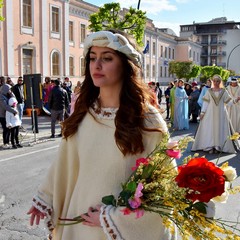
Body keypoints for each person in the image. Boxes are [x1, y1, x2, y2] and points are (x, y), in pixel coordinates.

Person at [27, 30, 175, 240]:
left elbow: (164, 190)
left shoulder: (148, 121)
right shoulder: (83, 114)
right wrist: (45, 198)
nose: (97, 65)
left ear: (125, 65)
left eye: (107, 58)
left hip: (118, 231)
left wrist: (112, 219)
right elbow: (64, 165)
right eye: (92, 58)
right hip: (78, 223)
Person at [192, 75, 240, 154]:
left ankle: (218, 146)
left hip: (221, 114)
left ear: (220, 82)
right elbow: (205, 103)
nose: (216, 82)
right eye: (214, 81)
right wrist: (202, 113)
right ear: (213, 82)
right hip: (209, 113)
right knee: (210, 129)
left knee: (220, 129)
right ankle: (210, 146)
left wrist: (236, 100)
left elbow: (229, 102)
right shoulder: (209, 91)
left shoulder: (224, 91)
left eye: (218, 81)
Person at [0, 84, 18, 149]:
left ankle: (7, 142)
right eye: (9, 89)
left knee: (8, 129)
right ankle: (5, 143)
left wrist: (11, 93)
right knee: (6, 129)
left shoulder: (7, 95)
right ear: (5, 90)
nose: (10, 91)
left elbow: (15, 100)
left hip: (7, 114)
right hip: (2, 115)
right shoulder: (1, 97)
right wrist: (14, 111)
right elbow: (5, 106)